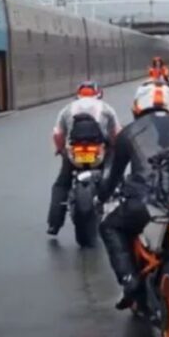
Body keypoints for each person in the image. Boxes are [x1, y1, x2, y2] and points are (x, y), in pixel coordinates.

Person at [98, 80, 169, 309]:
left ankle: (129, 280)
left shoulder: (128, 133)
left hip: (147, 203)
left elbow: (113, 176)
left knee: (109, 226)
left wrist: (101, 197)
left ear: (138, 105)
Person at [47, 80, 120, 236]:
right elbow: (116, 134)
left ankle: (54, 223)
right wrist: (114, 147)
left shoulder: (67, 109)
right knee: (115, 179)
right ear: (98, 93)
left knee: (62, 184)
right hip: (99, 152)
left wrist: (61, 150)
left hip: (74, 153)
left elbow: (58, 134)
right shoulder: (106, 109)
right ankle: (119, 217)